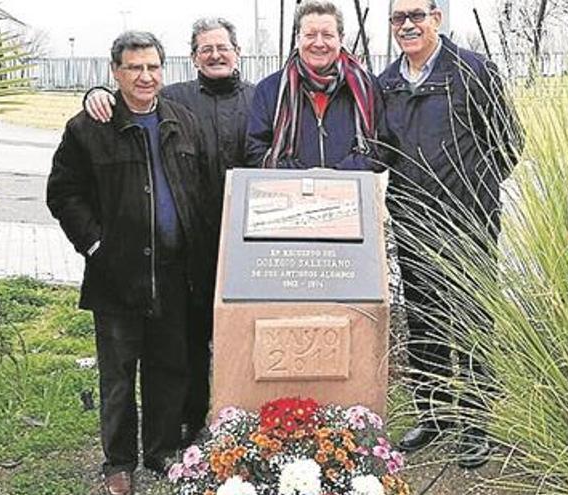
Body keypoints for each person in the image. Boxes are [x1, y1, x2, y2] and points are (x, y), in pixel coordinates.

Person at [46, 31, 215, 494]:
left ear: (164, 69)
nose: (145, 76)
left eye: (153, 67)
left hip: (175, 272)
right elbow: (63, 193)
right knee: (119, 374)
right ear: (116, 73)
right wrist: (96, 246)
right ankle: (118, 462)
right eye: (135, 68)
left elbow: (197, 184)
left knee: (168, 367)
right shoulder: (88, 127)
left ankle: (160, 450)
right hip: (117, 275)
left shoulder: (181, 120)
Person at [83, 17, 254, 446]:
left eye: (223, 47)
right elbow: (125, 103)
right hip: (184, 250)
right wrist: (96, 95)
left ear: (238, 52)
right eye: (205, 48)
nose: (215, 55)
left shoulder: (260, 100)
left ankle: (242, 420)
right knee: (187, 344)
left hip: (242, 245)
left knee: (239, 340)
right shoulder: (174, 98)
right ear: (193, 57)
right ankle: (188, 422)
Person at [379, 0, 523, 468]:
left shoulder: (475, 71)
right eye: (399, 18)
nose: (408, 25)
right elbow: (381, 152)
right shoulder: (387, 84)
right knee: (424, 323)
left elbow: (509, 143)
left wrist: (473, 193)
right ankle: (434, 414)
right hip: (410, 221)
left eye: (417, 15)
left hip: (469, 223)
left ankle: (475, 423)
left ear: (437, 18)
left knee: (472, 323)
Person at [245, 0, 390, 170]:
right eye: (310, 35)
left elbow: (383, 147)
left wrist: (339, 175)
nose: (319, 43)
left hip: (351, 191)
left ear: (340, 39)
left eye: (327, 35)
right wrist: (305, 179)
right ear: (298, 38)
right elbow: (256, 151)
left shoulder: (367, 86)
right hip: (288, 192)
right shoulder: (269, 90)